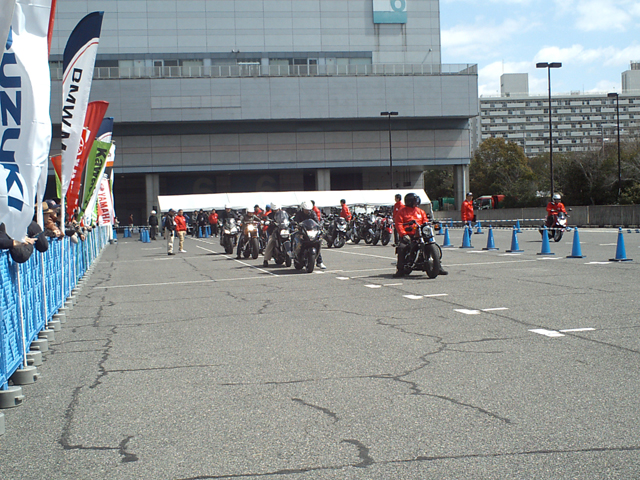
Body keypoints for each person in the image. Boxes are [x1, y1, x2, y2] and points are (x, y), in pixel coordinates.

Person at [394, 193, 447, 278]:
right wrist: (403, 234)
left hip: (421, 233)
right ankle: (400, 270)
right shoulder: (402, 212)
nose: (416, 202)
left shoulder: (420, 211)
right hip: (409, 235)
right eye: (415, 201)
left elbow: (425, 221)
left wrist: (429, 224)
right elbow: (398, 224)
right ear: (409, 201)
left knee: (432, 244)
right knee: (402, 248)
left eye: (417, 200)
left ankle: (438, 267)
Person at [294, 200, 326, 269]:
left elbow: (316, 221)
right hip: (302, 231)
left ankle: (319, 262)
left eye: (308, 210)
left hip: (311, 231)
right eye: (306, 210)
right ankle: (295, 254)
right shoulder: (299, 213)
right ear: (302, 208)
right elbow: (295, 220)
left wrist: (320, 225)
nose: (307, 211)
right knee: (296, 238)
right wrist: (295, 224)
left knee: (316, 243)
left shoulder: (312, 213)